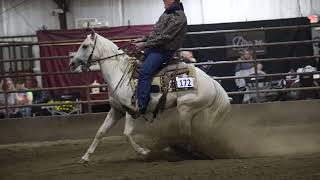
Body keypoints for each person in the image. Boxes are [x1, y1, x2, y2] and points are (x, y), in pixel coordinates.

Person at [126, 0, 187, 117]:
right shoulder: (167, 13)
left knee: (144, 72)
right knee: (133, 64)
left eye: (166, 0)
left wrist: (144, 44)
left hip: (163, 50)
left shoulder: (179, 17)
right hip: (156, 48)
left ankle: (142, 106)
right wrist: (142, 39)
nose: (163, 1)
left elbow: (165, 37)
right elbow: (156, 33)